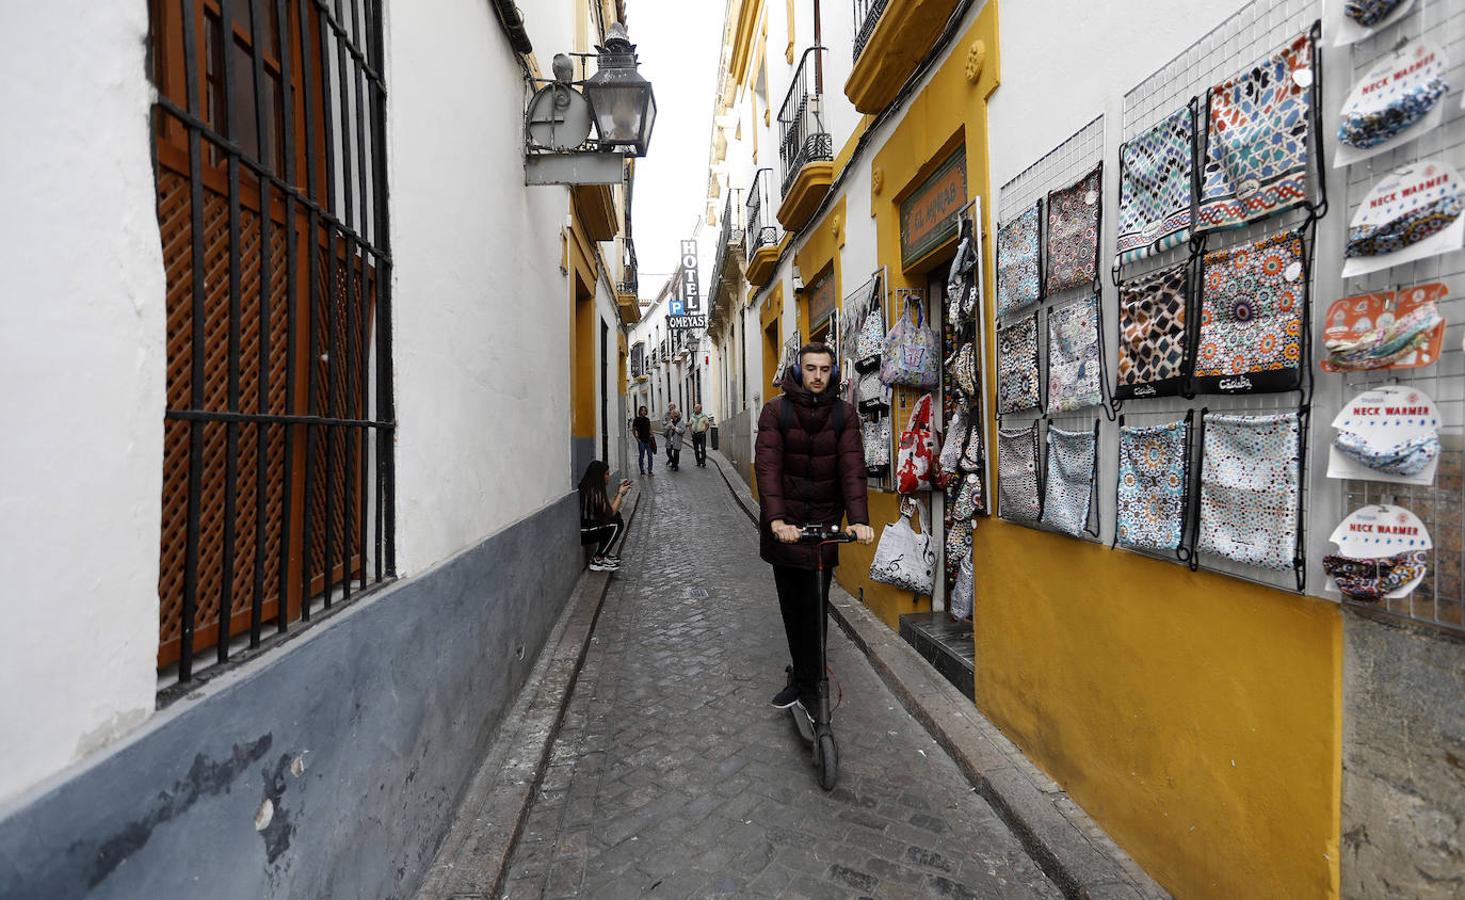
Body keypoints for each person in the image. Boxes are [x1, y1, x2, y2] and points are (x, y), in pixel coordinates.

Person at [754, 342, 874, 714]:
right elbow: (768, 467)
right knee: (793, 608)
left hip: (822, 529)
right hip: (786, 529)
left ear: (833, 373)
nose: (818, 376)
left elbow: (851, 469)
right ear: (798, 371)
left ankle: (811, 680)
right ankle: (802, 680)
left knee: (817, 608)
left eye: (824, 370)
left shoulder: (845, 415)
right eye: (811, 369)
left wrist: (858, 521)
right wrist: (776, 520)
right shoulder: (775, 413)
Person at [579, 460, 632, 572]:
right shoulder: (592, 492)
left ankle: (604, 553)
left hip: (589, 526)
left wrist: (618, 493)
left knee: (616, 517)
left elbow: (607, 508)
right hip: (585, 531)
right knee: (616, 524)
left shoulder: (593, 489)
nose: (609, 477)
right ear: (599, 476)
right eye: (607, 474)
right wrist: (620, 494)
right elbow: (609, 512)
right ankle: (598, 559)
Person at [632, 406, 654, 476]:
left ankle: (650, 471)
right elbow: (633, 430)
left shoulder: (647, 419)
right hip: (641, 441)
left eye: (645, 410)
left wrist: (652, 435)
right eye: (642, 410)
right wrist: (637, 439)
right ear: (640, 411)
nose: (643, 412)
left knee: (650, 455)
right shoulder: (636, 420)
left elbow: (650, 428)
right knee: (642, 456)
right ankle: (642, 470)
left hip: (648, 441)